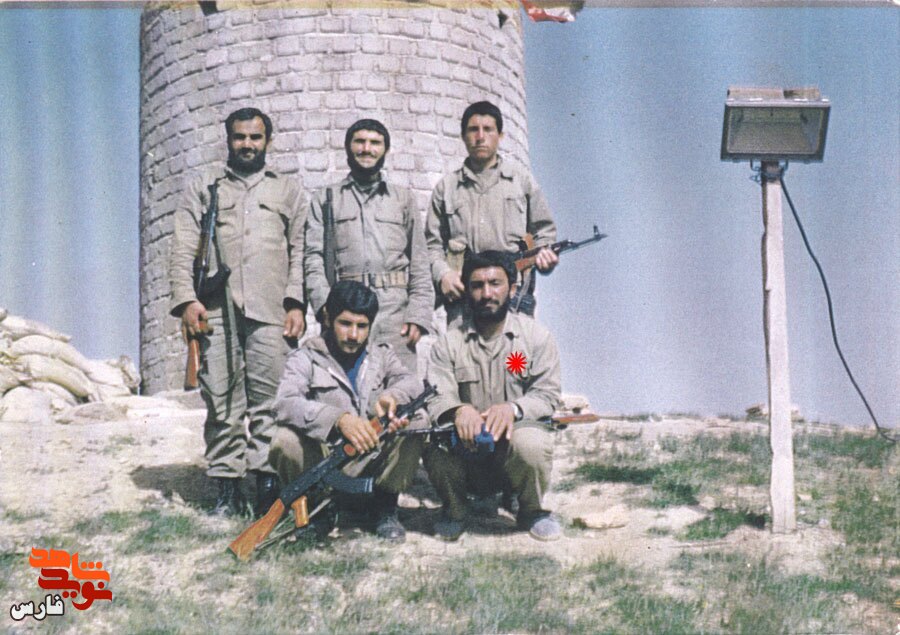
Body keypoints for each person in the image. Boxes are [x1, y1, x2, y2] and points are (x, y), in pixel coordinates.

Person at [169, 107, 307, 517]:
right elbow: (183, 247)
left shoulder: (288, 191)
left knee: (271, 401)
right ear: (228, 140)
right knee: (222, 401)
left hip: (271, 309)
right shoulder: (205, 188)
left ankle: (267, 487)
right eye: (240, 137)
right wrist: (187, 300)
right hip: (216, 310)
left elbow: (301, 249)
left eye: (255, 137)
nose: (247, 144)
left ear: (268, 141)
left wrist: (296, 302)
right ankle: (227, 490)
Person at [423, 250, 562, 542]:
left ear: (512, 289)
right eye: (477, 285)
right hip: (467, 450)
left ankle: (531, 511)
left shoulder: (536, 338)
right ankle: (455, 510)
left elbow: (547, 393)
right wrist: (459, 411)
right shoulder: (448, 344)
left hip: (511, 452)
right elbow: (436, 395)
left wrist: (513, 409)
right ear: (467, 291)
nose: (487, 293)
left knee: (532, 442)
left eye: (495, 283)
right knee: (431, 440)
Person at [270, 280, 423, 543]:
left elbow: (412, 382)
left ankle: (385, 507)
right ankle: (318, 511)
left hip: (371, 458)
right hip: (327, 462)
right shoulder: (306, 357)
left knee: (418, 421)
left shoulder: (380, 355)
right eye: (345, 323)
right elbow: (284, 402)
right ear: (328, 318)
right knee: (284, 440)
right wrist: (337, 420)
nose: (353, 335)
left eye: (362, 326)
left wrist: (392, 396)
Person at [304, 118, 433, 374]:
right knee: (344, 387)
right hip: (345, 315)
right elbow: (313, 258)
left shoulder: (403, 199)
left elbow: (420, 260)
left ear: (385, 149)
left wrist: (418, 315)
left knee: (399, 386)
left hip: (395, 315)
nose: (367, 149)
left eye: (375, 143)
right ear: (348, 147)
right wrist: (325, 308)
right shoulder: (326, 199)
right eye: (360, 142)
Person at [425, 101, 559, 323]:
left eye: (488, 129)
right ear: (463, 136)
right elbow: (431, 245)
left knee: (517, 347)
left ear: (500, 136)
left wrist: (545, 255)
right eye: (473, 130)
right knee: (461, 348)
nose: (480, 137)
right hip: (465, 301)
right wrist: (443, 274)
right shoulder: (446, 188)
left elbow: (544, 231)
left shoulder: (521, 181)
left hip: (513, 298)